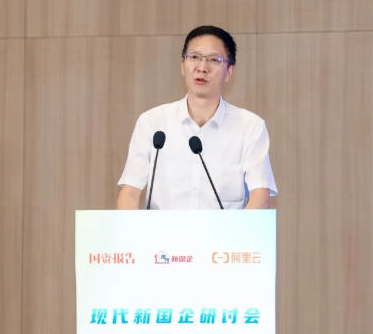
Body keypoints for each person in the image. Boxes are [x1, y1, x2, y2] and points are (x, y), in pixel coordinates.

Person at [116, 25, 277, 210]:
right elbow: (130, 192)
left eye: (214, 60)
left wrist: (239, 230)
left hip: (224, 230)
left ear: (229, 72)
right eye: (194, 57)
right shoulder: (152, 123)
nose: (202, 68)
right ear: (182, 66)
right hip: (163, 230)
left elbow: (260, 196)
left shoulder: (249, 127)